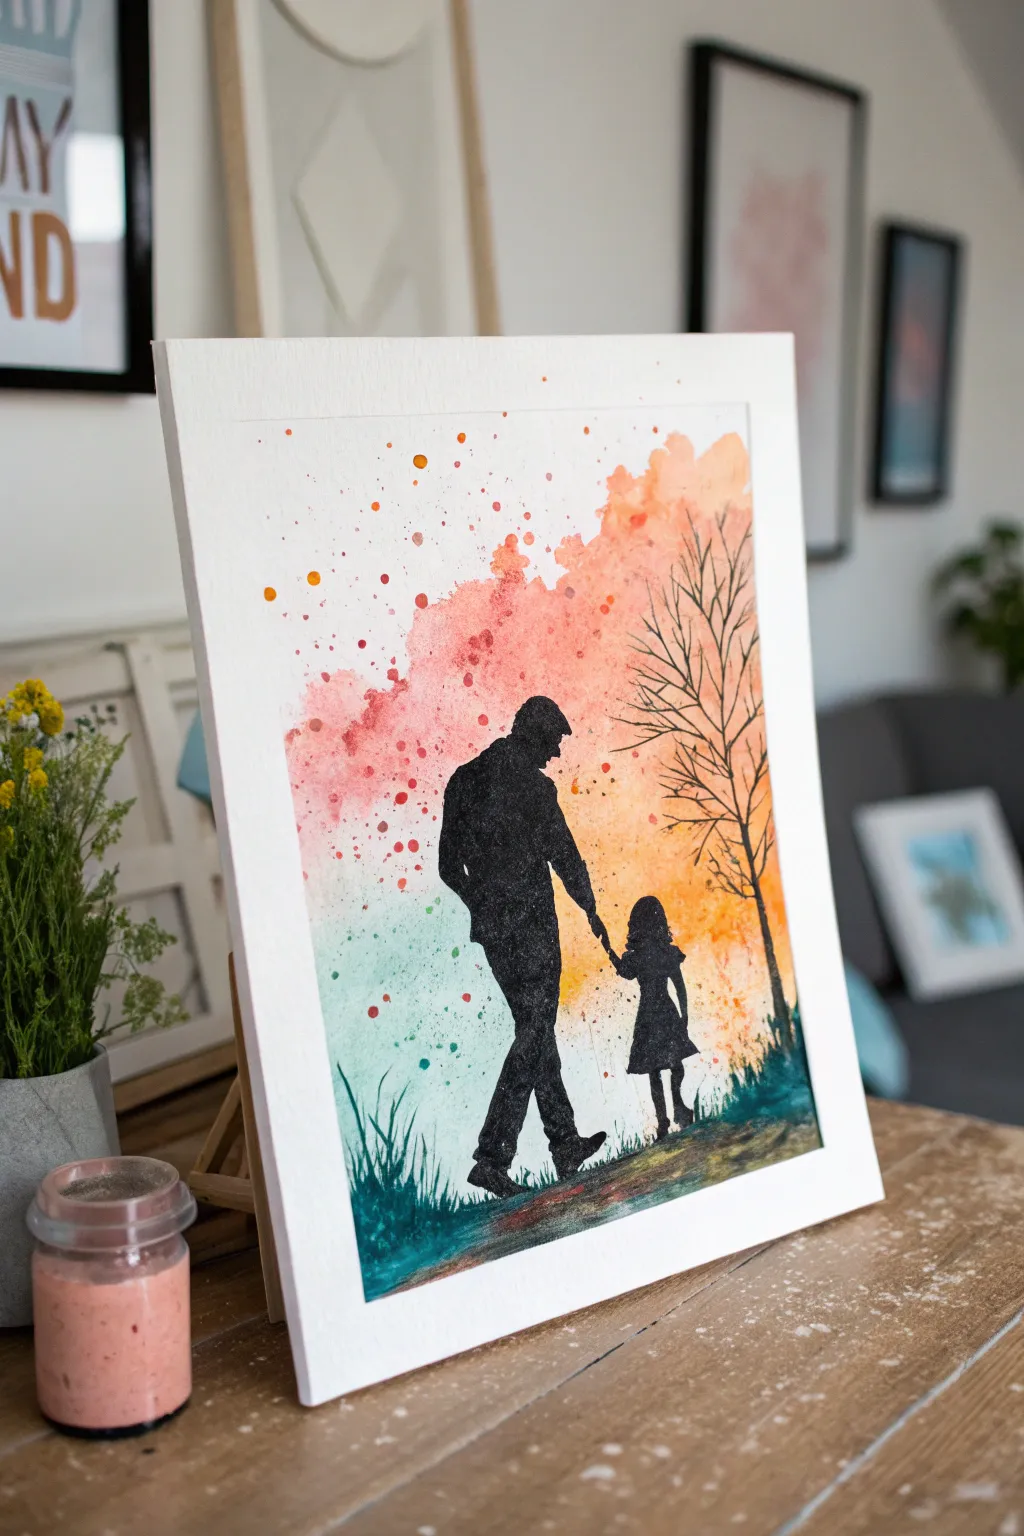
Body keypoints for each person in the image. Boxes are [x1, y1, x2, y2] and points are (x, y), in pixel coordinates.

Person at [439, 696, 609, 1199]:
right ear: (534, 734)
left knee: (535, 1030)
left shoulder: (464, 779)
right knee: (535, 1030)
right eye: (553, 742)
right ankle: (492, 1157)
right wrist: (590, 908)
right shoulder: (535, 789)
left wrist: (482, 905)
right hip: (534, 930)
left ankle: (564, 1143)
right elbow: (565, 855)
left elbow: (448, 866)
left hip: (495, 933)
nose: (555, 754)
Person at [605, 896, 698, 1140]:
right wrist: (685, 1015)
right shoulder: (665, 953)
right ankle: (675, 1109)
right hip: (665, 1011)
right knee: (674, 1064)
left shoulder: (639, 956)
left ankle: (665, 1119)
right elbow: (679, 987)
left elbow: (624, 972)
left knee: (655, 1070)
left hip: (648, 1014)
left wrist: (608, 949)